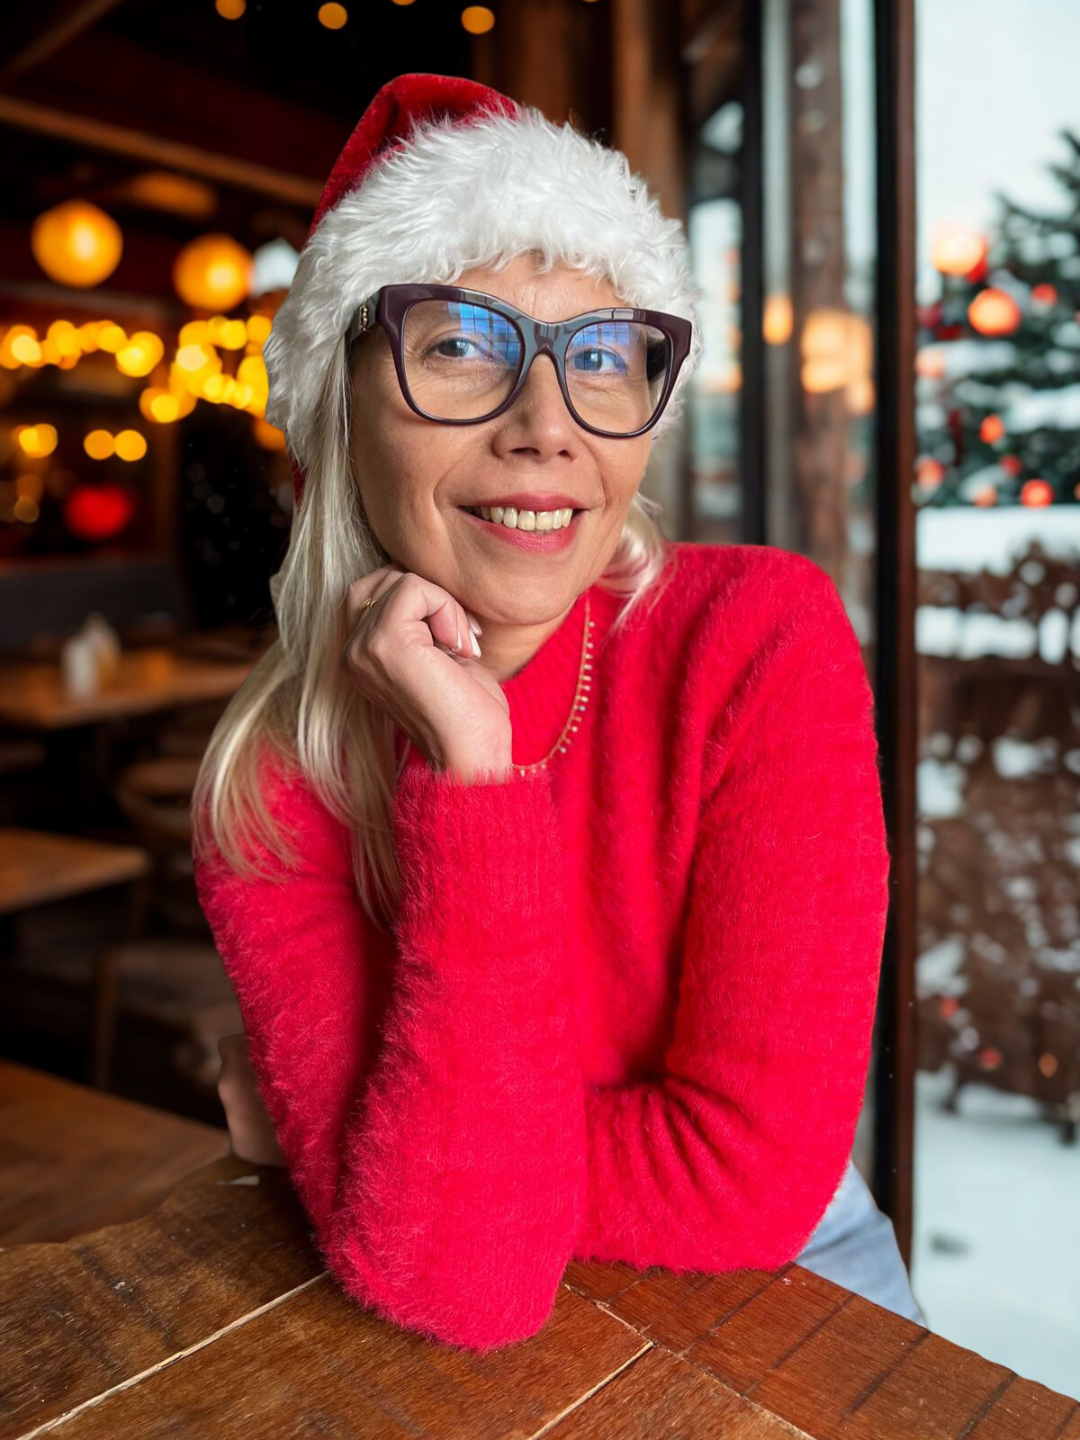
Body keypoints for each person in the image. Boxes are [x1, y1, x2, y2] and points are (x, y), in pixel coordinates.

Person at [192, 72, 927, 1354]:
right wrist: (473, 774)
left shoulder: (757, 639)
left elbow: (749, 1183)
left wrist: (383, 1140)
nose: (547, 428)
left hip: (795, 1299)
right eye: (464, 345)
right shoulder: (270, 784)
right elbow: (459, 1278)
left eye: (600, 355)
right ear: (339, 404)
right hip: (457, 1350)